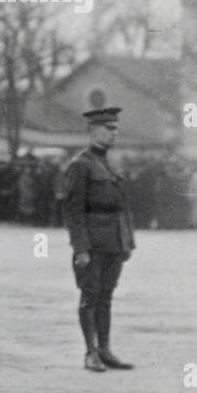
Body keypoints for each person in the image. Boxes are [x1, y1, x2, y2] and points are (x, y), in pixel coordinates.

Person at [63, 107, 135, 372]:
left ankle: (105, 349)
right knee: (90, 296)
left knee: (106, 296)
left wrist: (128, 241)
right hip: (92, 243)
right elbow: (73, 210)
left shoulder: (112, 164)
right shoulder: (80, 165)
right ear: (92, 131)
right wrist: (81, 248)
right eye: (108, 129)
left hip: (115, 241)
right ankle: (90, 352)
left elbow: (123, 206)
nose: (114, 133)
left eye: (115, 128)